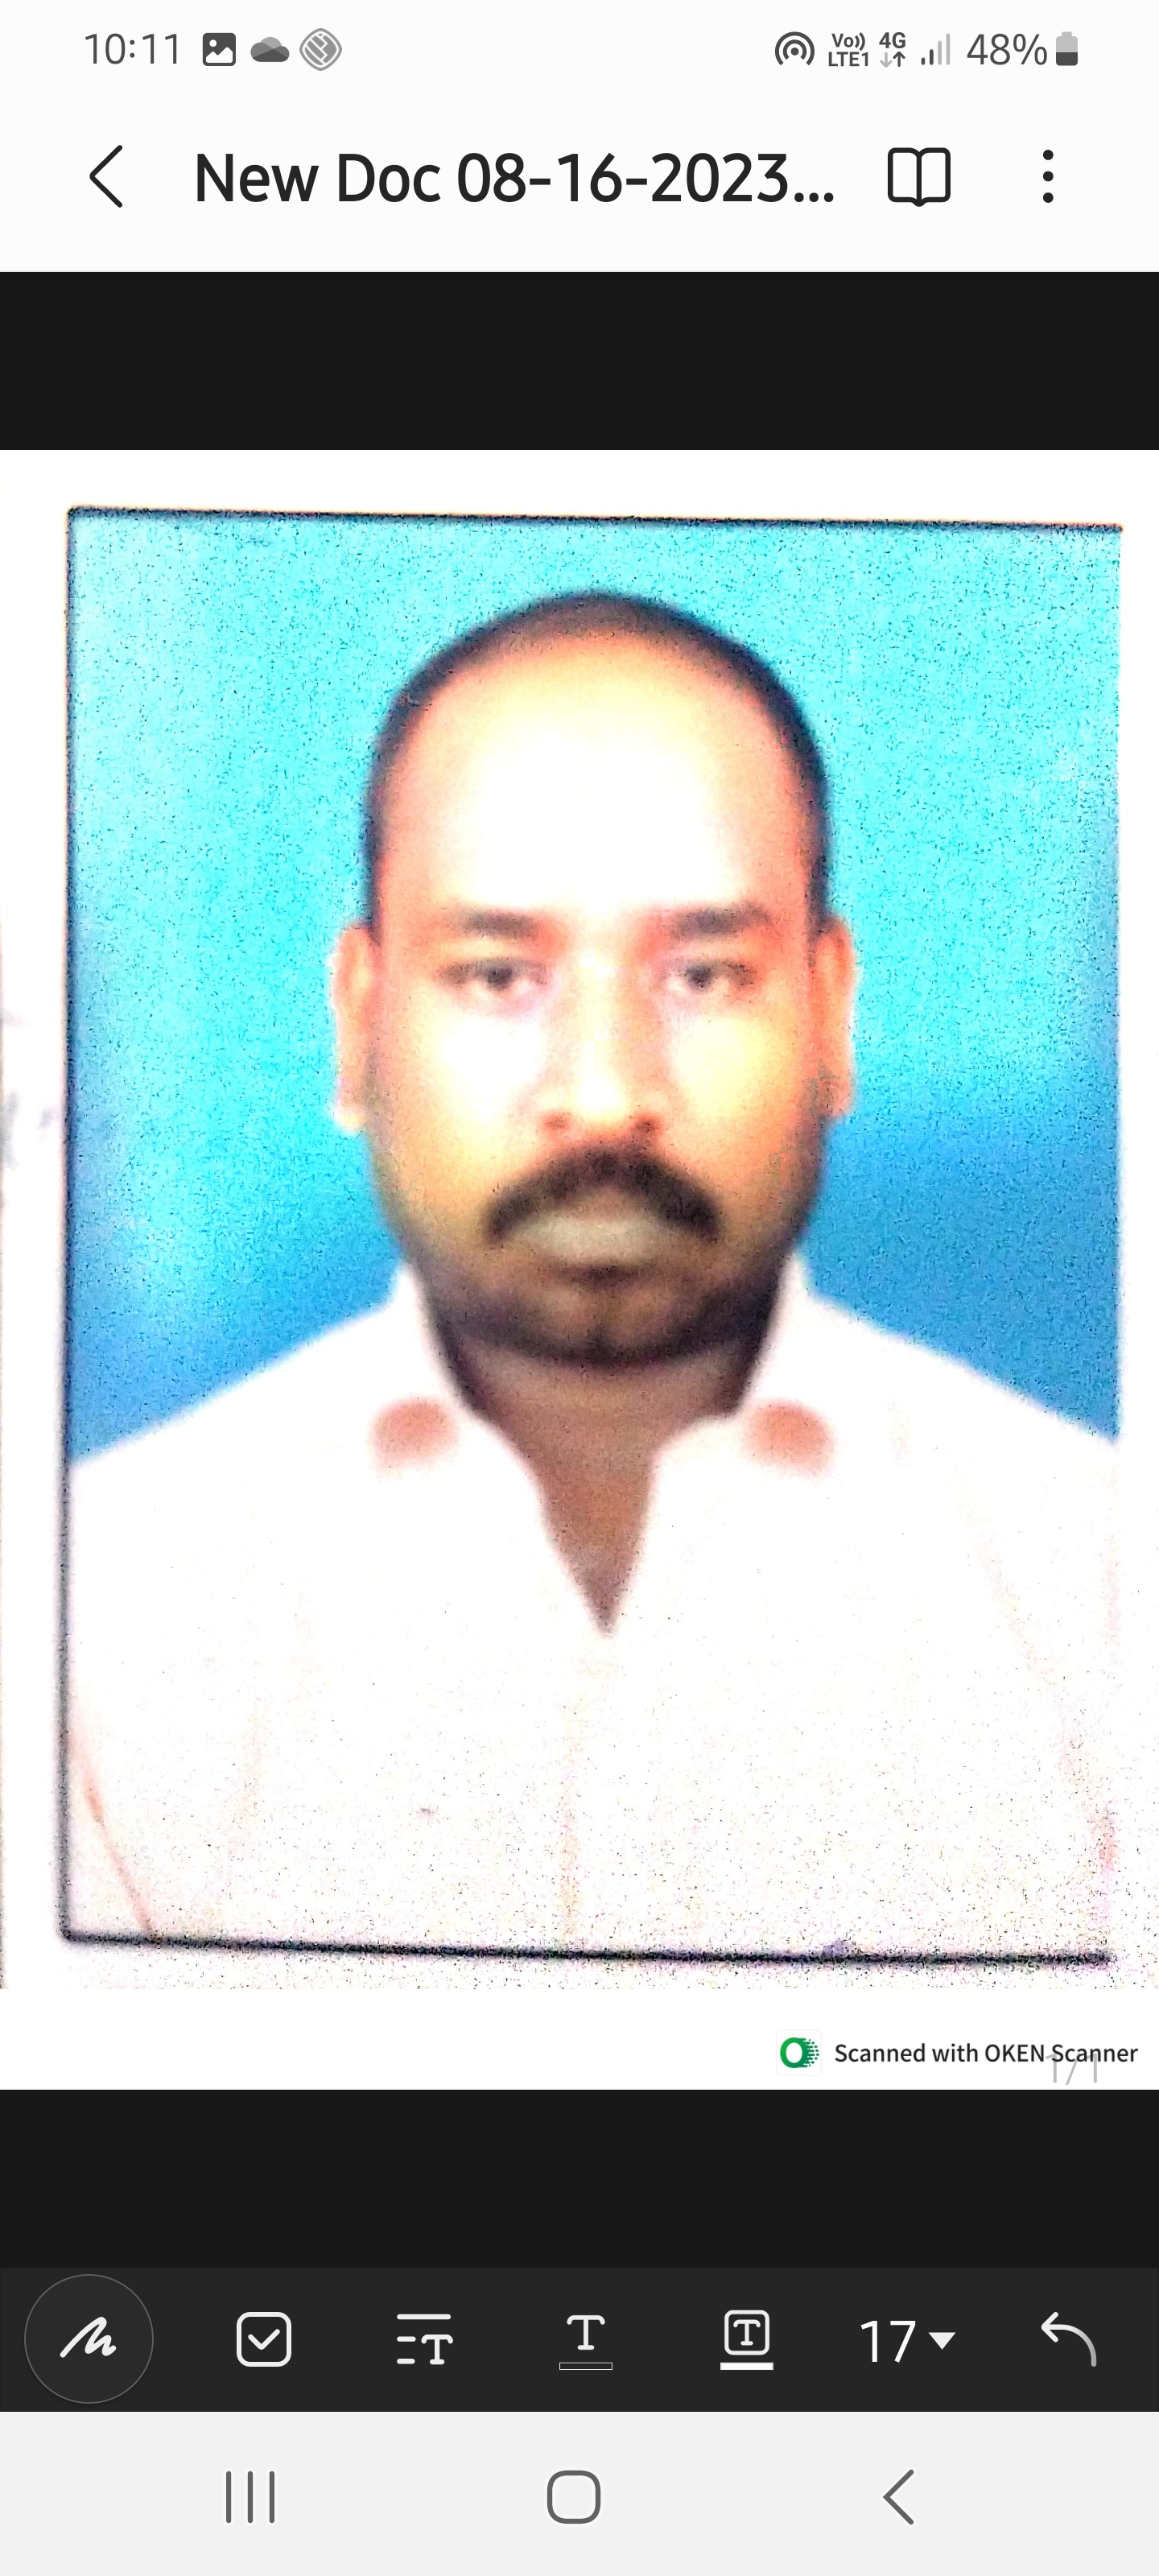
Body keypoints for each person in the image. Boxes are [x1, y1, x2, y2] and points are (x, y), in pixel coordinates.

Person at [68, 592, 1116, 1962]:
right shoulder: (90, 1618)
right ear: (360, 1020)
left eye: (706, 975)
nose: (609, 1094)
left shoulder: (1106, 1591)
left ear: (831, 1011)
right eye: (500, 975)